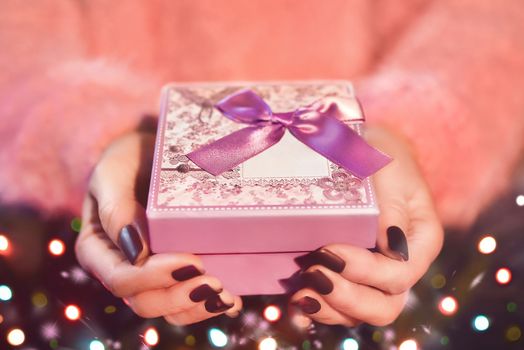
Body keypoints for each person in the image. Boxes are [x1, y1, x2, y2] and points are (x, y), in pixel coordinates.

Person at [1, 0, 523, 327]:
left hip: (417, 277)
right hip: (64, 283)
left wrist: (416, 126)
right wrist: (85, 127)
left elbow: (492, 17)